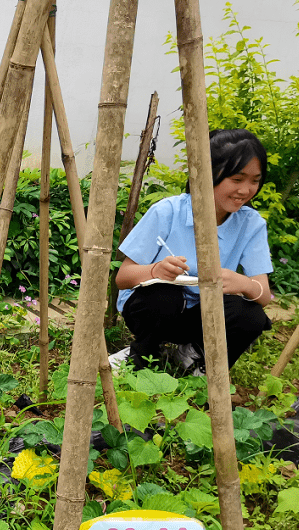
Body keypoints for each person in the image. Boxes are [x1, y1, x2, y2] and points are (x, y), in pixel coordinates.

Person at [114, 128, 274, 373]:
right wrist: (156, 270)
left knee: (250, 315)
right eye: (237, 179)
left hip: (202, 314)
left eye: (255, 180)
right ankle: (142, 353)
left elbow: (263, 295)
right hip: (153, 310)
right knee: (165, 295)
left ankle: (195, 359)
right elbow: (123, 278)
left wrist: (243, 282)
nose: (246, 190)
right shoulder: (167, 212)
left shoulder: (251, 223)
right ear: (208, 173)